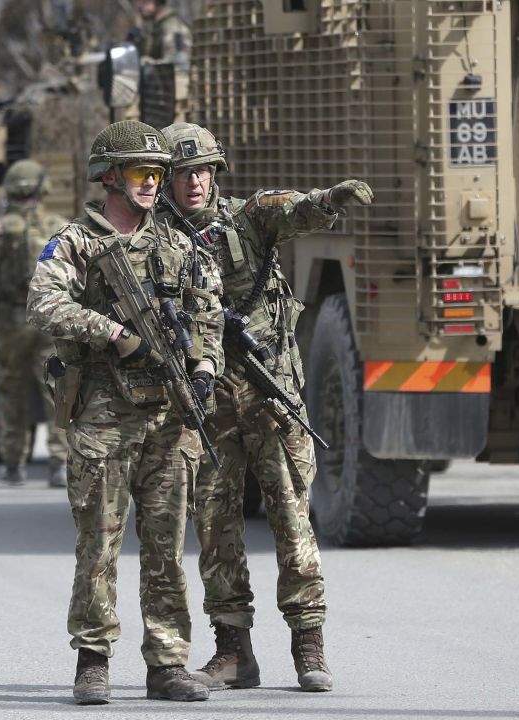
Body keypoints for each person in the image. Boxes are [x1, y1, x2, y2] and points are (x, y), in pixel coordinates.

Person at [159, 122, 373, 692]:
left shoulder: (246, 218)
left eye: (204, 171)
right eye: (184, 174)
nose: (196, 183)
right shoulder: (153, 238)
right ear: (166, 181)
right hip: (204, 405)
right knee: (214, 527)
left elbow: (289, 209)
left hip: (268, 395)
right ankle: (232, 652)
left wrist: (327, 202)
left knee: (291, 520)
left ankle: (309, 646)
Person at [27, 120, 222, 704]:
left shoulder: (179, 243)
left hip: (167, 416)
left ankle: (167, 662)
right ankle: (93, 659)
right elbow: (43, 302)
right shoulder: (77, 243)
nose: (151, 183)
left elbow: (208, 309)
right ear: (109, 175)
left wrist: (206, 367)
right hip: (104, 416)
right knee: (99, 543)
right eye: (141, 172)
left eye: (157, 174)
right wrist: (112, 331)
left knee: (166, 545)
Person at [0, 160, 71, 488]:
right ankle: (59, 463)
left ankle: (13, 463)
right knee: (56, 392)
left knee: (11, 392)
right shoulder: (59, 226)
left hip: (11, 323)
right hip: (50, 319)